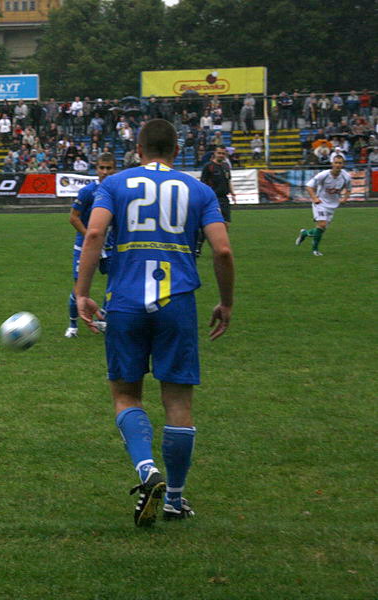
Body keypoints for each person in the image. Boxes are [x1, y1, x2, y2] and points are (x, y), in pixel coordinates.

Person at [74, 118, 234, 527]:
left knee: (126, 394)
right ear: (177, 151)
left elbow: (93, 235)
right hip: (176, 301)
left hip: (125, 300)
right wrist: (226, 303)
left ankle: (146, 469)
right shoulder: (199, 190)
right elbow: (222, 251)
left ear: (138, 151)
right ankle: (175, 499)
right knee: (178, 401)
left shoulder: (114, 184)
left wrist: (81, 293)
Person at [65, 153, 115, 338]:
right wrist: (91, 238)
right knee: (79, 287)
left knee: (115, 282)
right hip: (86, 245)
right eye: (102, 168)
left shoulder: (119, 192)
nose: (105, 172)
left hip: (110, 247)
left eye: (109, 168)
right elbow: (73, 218)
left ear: (114, 169)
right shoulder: (88, 192)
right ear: (97, 169)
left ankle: (104, 319)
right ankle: (73, 325)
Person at [294, 155, 351, 256]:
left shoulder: (346, 177)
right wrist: (314, 198)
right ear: (332, 164)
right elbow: (309, 186)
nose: (338, 165)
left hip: (333, 205)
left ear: (343, 164)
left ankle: (304, 233)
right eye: (336, 163)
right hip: (320, 203)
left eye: (340, 163)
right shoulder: (323, 175)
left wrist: (345, 198)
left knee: (320, 230)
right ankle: (315, 250)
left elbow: (348, 189)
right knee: (322, 225)